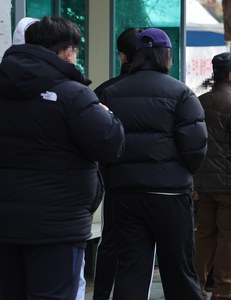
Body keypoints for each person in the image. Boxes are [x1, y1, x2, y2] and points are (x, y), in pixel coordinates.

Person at [0, 16, 125, 299]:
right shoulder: (73, 95)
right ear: (67, 51)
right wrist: (108, 116)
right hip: (57, 227)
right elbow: (110, 145)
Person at [99, 28, 207, 299]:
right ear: (167, 57)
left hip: (126, 194)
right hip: (169, 194)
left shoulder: (111, 93)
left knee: (131, 271)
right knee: (180, 272)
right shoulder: (182, 94)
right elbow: (195, 148)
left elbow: (102, 145)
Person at [194, 52, 231, 300]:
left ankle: (195, 284)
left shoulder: (199, 101)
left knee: (204, 234)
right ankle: (224, 288)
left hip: (203, 182)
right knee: (230, 236)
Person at [92, 27, 140, 300]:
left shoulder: (104, 92)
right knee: (143, 245)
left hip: (114, 179)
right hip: (153, 183)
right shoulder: (170, 90)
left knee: (110, 240)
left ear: (122, 55)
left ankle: (100, 294)